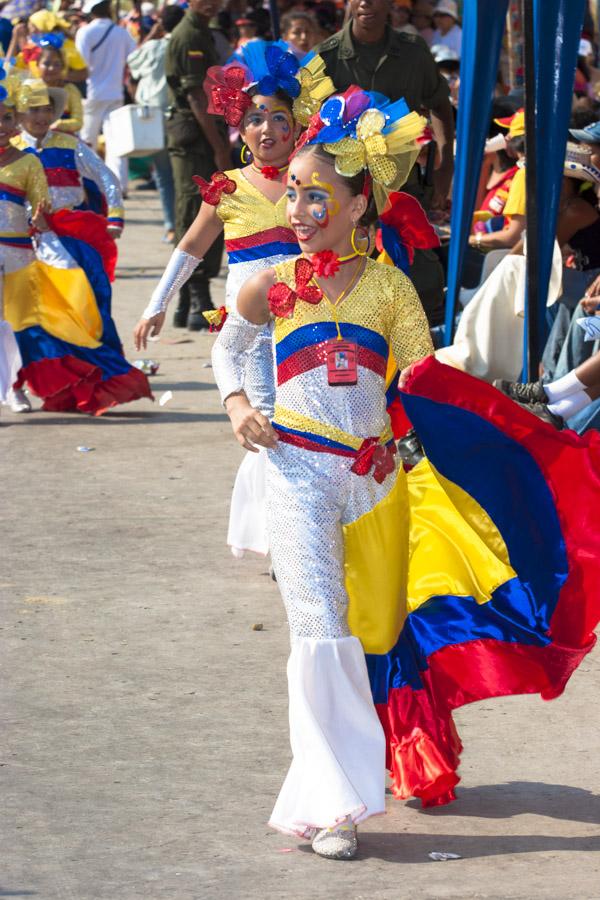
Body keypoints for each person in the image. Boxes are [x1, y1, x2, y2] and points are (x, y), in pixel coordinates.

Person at [209, 85, 600, 861]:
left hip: (374, 483)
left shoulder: (392, 290)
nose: (300, 206)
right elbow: (232, 344)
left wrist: (488, 426)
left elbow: (423, 384)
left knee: (375, 630)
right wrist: (236, 404)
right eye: (294, 191)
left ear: (360, 207)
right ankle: (328, 805)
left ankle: (389, 751)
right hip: (295, 472)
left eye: (318, 194)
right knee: (318, 628)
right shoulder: (275, 281)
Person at [135, 44, 333, 555]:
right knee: (265, 416)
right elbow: (192, 246)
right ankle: (279, 537)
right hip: (249, 329)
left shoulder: (311, 180)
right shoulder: (226, 188)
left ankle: (302, 529)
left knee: (308, 414)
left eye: (278, 118)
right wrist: (157, 302)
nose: (266, 128)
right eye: (253, 119)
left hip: (308, 318)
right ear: (238, 130)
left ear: (297, 125)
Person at [0, 75, 151, 414]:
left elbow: (107, 179)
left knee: (85, 307)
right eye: (31, 109)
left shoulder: (69, 145)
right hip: (24, 244)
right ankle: (19, 384)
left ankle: (91, 376)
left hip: (69, 239)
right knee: (22, 320)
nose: (40, 116)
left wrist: (114, 218)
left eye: (46, 108)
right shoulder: (12, 152)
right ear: (18, 115)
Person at [314, 0, 454, 324]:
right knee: (346, 276)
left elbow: (441, 107)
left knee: (421, 280)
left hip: (401, 187)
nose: (366, 3)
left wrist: (445, 168)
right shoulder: (327, 56)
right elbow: (311, 129)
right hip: (345, 190)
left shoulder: (414, 52)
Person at [164, 0, 232, 330]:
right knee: (197, 210)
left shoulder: (204, 31)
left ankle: (186, 299)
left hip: (202, 135)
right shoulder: (189, 35)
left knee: (202, 207)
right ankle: (197, 294)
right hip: (197, 139)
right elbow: (195, 98)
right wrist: (219, 148)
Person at [127, 4, 184, 243]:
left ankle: (171, 226)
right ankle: (184, 224)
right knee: (184, 175)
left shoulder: (153, 46)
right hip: (181, 116)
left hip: (154, 119)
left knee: (163, 176)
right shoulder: (184, 44)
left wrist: (153, 33)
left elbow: (132, 63)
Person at [75, 0, 136, 191]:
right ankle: (118, 186)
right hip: (115, 92)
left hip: (92, 93)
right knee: (116, 142)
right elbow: (133, 58)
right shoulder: (121, 32)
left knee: (87, 141)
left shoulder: (85, 32)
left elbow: (80, 64)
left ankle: (89, 183)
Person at [33, 34, 84, 134]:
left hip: (64, 143)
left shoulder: (70, 90)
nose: (51, 68)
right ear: (37, 64)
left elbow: (78, 122)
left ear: (63, 67)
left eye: (56, 64)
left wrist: (59, 125)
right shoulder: (30, 89)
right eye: (46, 64)